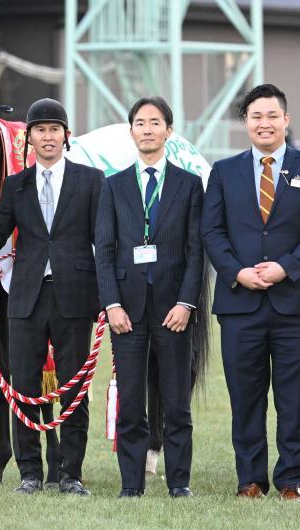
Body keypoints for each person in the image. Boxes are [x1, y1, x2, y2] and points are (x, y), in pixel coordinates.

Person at [0, 98, 103, 496]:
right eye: (40, 129)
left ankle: (70, 473)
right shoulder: (16, 186)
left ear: (66, 136)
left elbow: (103, 242)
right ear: (30, 138)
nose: (48, 136)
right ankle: (30, 473)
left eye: (55, 129)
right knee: (22, 386)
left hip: (75, 297)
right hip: (25, 299)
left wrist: (107, 298)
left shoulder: (92, 181)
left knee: (74, 387)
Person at [201, 84, 300, 501]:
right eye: (256, 116)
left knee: (295, 397)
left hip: (298, 304)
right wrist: (237, 272)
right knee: (245, 396)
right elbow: (212, 231)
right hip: (240, 305)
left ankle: (291, 479)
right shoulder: (223, 172)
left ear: (286, 120)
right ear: (246, 123)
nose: (264, 123)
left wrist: (286, 267)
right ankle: (250, 479)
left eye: (272, 115)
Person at [95, 96, 203, 498]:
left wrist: (186, 303)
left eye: (155, 122)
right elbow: (104, 251)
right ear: (131, 131)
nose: (147, 129)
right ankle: (131, 484)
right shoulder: (113, 185)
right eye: (140, 123)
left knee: (176, 404)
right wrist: (112, 305)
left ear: (168, 131)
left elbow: (196, 252)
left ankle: (179, 483)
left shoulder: (189, 186)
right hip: (127, 312)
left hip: (174, 310)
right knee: (132, 405)